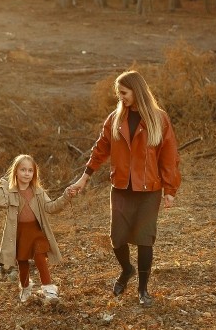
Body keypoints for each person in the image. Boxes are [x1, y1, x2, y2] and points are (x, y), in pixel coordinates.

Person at [67, 70, 181, 308]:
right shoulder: (114, 119)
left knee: (144, 240)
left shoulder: (159, 119)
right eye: (118, 93)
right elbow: (100, 150)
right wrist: (84, 178)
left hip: (149, 190)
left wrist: (170, 189)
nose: (120, 97)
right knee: (117, 239)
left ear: (136, 91)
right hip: (120, 188)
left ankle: (143, 290)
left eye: (123, 92)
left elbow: (169, 156)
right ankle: (127, 270)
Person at [0, 154, 74, 303]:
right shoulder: (11, 191)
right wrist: (3, 185)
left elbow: (51, 207)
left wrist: (66, 197)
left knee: (40, 257)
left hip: (36, 232)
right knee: (22, 263)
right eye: (23, 170)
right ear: (16, 172)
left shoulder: (38, 192)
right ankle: (25, 289)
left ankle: (49, 290)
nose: (26, 173)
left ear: (34, 173)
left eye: (30, 170)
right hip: (19, 233)